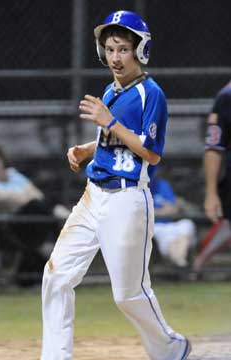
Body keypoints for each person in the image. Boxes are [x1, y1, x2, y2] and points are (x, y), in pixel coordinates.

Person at [41, 10, 191, 360]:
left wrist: (109, 122)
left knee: (128, 295)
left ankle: (172, 348)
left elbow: (150, 153)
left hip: (127, 202)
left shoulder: (151, 95)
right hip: (93, 196)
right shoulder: (110, 91)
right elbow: (112, 138)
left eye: (123, 49)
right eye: (109, 49)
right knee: (57, 276)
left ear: (141, 51)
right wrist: (88, 148)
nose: (115, 57)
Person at [0, 145, 58, 276]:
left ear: (2, 161)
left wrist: (14, 196)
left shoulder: (13, 174)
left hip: (28, 217)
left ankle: (51, 245)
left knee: (44, 206)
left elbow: (37, 195)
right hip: (6, 224)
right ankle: (51, 245)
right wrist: (22, 195)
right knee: (42, 208)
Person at [192, 81, 231, 272]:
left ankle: (198, 262)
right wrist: (211, 193)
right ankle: (198, 263)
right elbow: (214, 148)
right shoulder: (227, 96)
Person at [151, 176, 197, 267]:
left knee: (187, 224)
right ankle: (182, 264)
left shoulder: (161, 184)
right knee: (165, 236)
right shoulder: (137, 188)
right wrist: (163, 210)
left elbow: (173, 208)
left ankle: (179, 262)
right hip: (155, 226)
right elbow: (142, 213)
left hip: (171, 223)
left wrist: (154, 211)